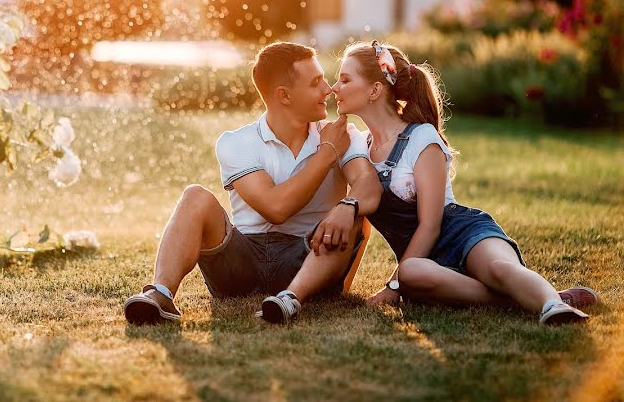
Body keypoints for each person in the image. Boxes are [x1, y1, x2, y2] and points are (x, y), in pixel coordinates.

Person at [330, 40, 600, 325]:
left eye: (345, 79)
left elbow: (431, 225)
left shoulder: (422, 138)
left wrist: (392, 288)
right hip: (423, 264)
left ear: (375, 90)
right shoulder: (361, 148)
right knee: (410, 272)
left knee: (499, 268)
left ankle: (552, 306)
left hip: (464, 235)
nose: (334, 88)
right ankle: (526, 298)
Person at [123, 42, 382, 325]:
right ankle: (160, 295)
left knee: (355, 214)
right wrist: (327, 154)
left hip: (309, 258)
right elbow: (276, 208)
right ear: (283, 95)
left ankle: (291, 300)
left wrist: (347, 205)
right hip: (241, 263)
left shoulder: (342, 133)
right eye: (315, 83)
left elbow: (368, 185)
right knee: (195, 195)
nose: (328, 90)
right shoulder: (237, 142)